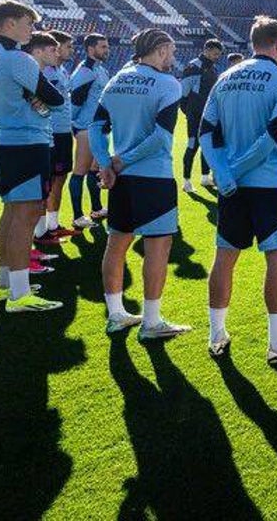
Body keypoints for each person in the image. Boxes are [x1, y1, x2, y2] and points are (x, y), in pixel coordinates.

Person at [201, 16, 277, 364]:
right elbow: (273, 135)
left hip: (233, 189)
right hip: (269, 184)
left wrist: (223, 171)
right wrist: (234, 170)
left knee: (225, 257)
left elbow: (206, 132)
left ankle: (216, 334)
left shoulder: (225, 77)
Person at [89, 29, 190, 341]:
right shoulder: (167, 84)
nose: (172, 58)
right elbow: (161, 137)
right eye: (170, 51)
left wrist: (106, 162)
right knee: (158, 246)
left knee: (117, 243)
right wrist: (118, 161)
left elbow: (95, 126)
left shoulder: (115, 81)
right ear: (159, 50)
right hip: (153, 177)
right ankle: (152, 321)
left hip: (121, 180)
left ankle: (116, 315)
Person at [0, 0, 64, 312]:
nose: (33, 29)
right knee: (26, 215)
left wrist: (30, 96)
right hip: (27, 141)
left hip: (3, 139)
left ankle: (7, 285)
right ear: (11, 23)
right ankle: (20, 294)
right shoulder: (19, 59)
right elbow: (54, 98)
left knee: (11, 212)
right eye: (29, 22)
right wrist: (35, 97)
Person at [34, 30, 80, 248]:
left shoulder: (61, 70)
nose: (71, 50)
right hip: (51, 133)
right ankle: (41, 231)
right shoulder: (46, 72)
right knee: (49, 182)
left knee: (59, 178)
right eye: (68, 46)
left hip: (63, 131)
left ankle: (52, 225)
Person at [69, 33, 110, 229]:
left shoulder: (101, 70)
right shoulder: (84, 71)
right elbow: (75, 102)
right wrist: (76, 126)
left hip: (99, 127)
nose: (106, 50)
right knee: (80, 171)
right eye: (102, 47)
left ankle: (97, 208)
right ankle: (77, 216)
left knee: (94, 170)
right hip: (86, 127)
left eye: (106, 46)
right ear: (90, 49)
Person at [180, 39, 224, 192]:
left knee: (208, 144)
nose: (217, 56)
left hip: (210, 114)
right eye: (215, 53)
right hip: (195, 115)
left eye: (219, 54)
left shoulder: (213, 68)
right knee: (193, 145)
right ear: (206, 50)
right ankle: (186, 181)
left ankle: (205, 177)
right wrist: (190, 113)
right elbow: (183, 94)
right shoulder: (193, 67)